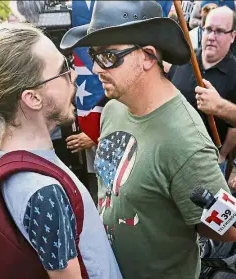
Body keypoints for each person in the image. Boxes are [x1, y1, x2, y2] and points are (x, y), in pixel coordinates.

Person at [60, 1, 236, 279]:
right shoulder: (113, 108)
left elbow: (226, 228)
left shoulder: (185, 142)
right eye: (94, 55)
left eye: (109, 56)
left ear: (148, 56)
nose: (96, 69)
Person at [0, 22, 122, 279]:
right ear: (32, 98)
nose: (73, 75)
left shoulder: (0, 152)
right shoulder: (42, 191)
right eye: (63, 70)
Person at [168, 6, 236, 174]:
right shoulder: (183, 60)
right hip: (170, 157)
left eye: (219, 31)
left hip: (207, 166)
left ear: (232, 35)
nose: (212, 36)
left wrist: (222, 155)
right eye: (208, 29)